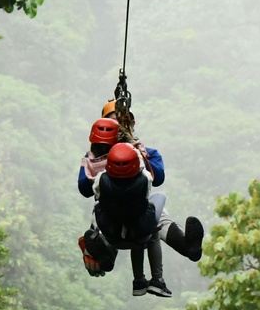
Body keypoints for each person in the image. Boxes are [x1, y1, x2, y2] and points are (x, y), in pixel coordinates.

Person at [76, 114, 203, 296]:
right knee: (157, 214)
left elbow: (86, 188)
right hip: (139, 225)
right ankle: (183, 249)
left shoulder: (98, 170)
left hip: (112, 225)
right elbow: (155, 178)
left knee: (101, 217)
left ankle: (105, 256)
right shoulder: (140, 160)